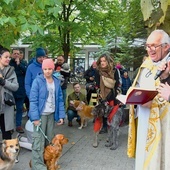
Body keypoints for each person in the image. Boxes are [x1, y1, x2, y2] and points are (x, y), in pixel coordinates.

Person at [127, 29, 170, 170]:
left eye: (154, 46)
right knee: (143, 159)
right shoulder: (146, 66)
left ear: (166, 46)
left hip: (164, 125)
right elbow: (136, 86)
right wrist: (134, 98)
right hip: (144, 119)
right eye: (147, 46)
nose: (149, 50)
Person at [29, 58, 65, 169]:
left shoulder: (56, 81)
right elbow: (33, 100)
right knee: (38, 141)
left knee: (49, 140)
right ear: (42, 69)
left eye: (50, 68)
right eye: (45, 69)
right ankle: (37, 165)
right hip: (40, 115)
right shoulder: (37, 81)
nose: (47, 71)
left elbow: (60, 99)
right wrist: (35, 117)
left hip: (51, 114)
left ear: (53, 69)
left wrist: (61, 115)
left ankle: (48, 163)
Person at [95, 53, 121, 134]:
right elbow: (97, 84)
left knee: (112, 111)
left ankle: (112, 126)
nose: (102, 63)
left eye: (104, 61)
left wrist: (117, 94)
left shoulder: (114, 70)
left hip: (112, 94)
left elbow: (117, 83)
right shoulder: (98, 71)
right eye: (101, 61)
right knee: (102, 111)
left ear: (108, 62)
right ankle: (104, 127)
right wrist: (99, 93)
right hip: (102, 94)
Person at [0, 48, 19, 139]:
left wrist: (4, 82)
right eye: (6, 57)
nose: (8, 59)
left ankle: (7, 152)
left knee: (7, 133)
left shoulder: (12, 71)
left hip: (6, 106)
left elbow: (15, 87)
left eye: (9, 57)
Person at [10, 48, 27, 133]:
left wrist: (19, 64)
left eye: (18, 54)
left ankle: (18, 125)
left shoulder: (23, 63)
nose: (16, 55)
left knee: (19, 109)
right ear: (11, 54)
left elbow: (26, 72)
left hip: (21, 90)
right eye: (14, 54)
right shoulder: (9, 63)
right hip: (11, 90)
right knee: (9, 109)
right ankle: (9, 127)